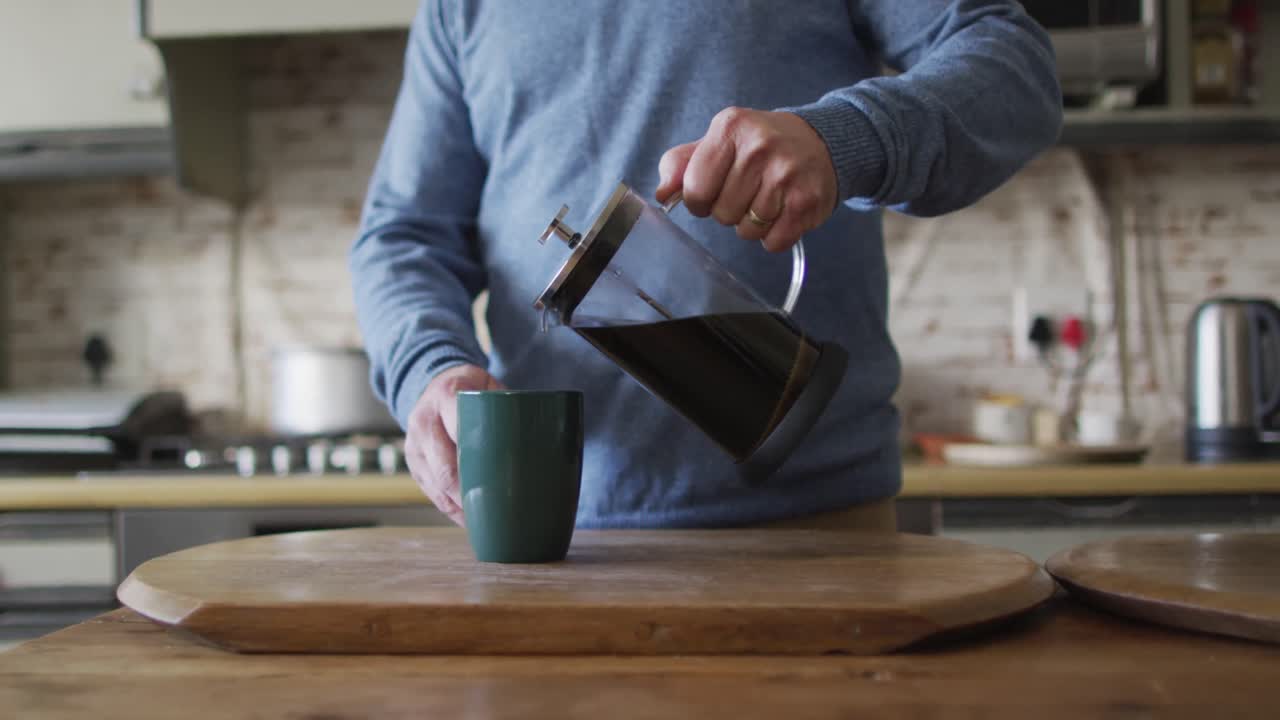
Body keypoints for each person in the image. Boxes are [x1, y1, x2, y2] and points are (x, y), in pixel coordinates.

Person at [350, 1, 1063, 530]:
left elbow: (1017, 71)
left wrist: (844, 138)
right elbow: (403, 234)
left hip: (819, 535)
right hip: (558, 540)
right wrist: (430, 367)